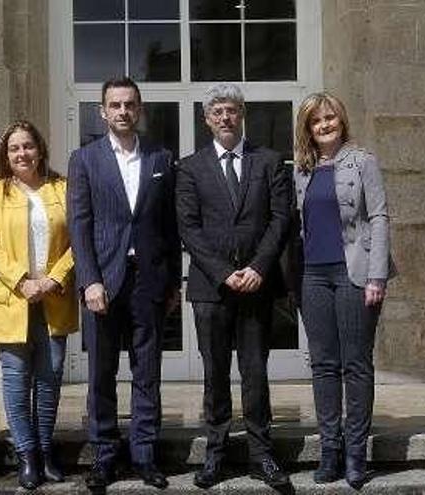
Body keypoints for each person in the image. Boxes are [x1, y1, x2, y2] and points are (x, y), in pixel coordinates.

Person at [67, 76, 181, 491]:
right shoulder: (85, 159)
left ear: (140, 109)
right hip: (104, 283)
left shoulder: (161, 158)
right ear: (102, 111)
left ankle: (145, 454)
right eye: (114, 105)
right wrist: (89, 280)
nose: (122, 111)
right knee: (101, 373)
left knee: (147, 371)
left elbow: (170, 226)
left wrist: (173, 282)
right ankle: (104, 455)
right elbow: (79, 226)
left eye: (129, 104)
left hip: (148, 281)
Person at [175, 83, 291, 489]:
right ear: (206, 119)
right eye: (218, 111)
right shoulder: (190, 167)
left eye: (232, 110)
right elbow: (188, 228)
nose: (225, 117)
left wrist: (259, 266)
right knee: (215, 374)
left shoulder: (270, 162)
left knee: (255, 373)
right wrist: (225, 272)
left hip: (258, 286)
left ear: (243, 116)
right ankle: (215, 454)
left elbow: (281, 219)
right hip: (212, 289)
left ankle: (262, 455)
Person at [293, 91, 395, 490]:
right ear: (308, 128)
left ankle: (356, 456)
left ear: (341, 120)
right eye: (316, 120)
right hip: (313, 276)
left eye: (330, 117)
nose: (324, 125)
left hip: (355, 274)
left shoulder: (363, 161)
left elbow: (380, 216)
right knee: (322, 366)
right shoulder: (301, 169)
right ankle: (329, 453)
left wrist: (377, 276)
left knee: (356, 364)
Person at [0, 120, 78, 489]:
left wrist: (53, 279)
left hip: (54, 296)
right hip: (10, 297)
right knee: (17, 381)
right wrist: (22, 280)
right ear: (6, 154)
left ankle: (47, 452)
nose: (22, 154)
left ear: (40, 149)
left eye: (28, 146)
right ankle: (27, 456)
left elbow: (78, 241)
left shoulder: (62, 188)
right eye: (15, 148)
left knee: (49, 379)